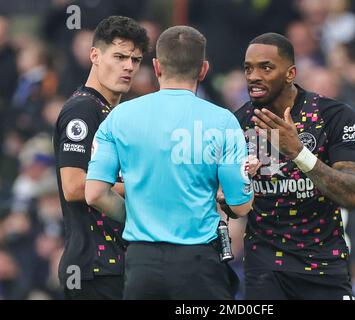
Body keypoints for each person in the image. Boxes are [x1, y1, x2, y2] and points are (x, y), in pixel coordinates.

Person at [85, 26, 254, 300]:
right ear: (203, 70)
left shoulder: (119, 117)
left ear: (156, 66)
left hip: (141, 262)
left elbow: (94, 193)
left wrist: (136, 217)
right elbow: (240, 204)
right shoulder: (223, 121)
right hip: (199, 263)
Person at [234, 33, 355, 299]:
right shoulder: (238, 123)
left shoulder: (334, 116)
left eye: (265, 67)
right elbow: (231, 204)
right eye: (248, 68)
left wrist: (297, 152)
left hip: (324, 265)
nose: (253, 76)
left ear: (290, 73)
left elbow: (352, 194)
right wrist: (232, 189)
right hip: (265, 267)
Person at [53, 16, 148, 300]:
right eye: (119, 56)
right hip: (92, 268)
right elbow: (73, 186)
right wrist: (144, 187)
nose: (129, 66)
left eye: (136, 59)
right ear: (94, 55)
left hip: (118, 266)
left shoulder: (113, 112)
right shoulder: (82, 110)